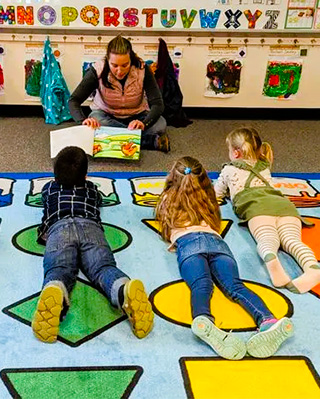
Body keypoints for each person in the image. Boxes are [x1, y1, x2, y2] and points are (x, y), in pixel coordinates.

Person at [155, 156, 293, 359]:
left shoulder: (167, 200)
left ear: (172, 178)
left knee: (201, 285)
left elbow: (165, 228)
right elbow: (216, 223)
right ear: (203, 180)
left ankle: (204, 320)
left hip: (189, 246)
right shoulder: (208, 199)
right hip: (218, 245)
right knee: (236, 287)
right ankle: (268, 320)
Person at [32, 146, 154, 343]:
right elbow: (98, 200)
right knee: (103, 268)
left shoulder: (49, 189)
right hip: (91, 229)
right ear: (86, 175)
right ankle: (122, 289)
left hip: (59, 228)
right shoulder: (91, 189)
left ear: (55, 175)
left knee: (59, 268)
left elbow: (44, 200)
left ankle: (56, 287)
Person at [215, 127, 320, 294]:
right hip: (284, 206)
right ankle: (313, 268)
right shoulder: (264, 166)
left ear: (235, 153)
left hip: (257, 209)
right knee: (292, 242)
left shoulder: (229, 170)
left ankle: (272, 259)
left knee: (268, 239)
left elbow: (216, 193)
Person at [68, 35, 170, 153]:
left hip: (136, 114)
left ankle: (113, 136)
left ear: (131, 59)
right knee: (95, 120)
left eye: (125, 65)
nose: (119, 71)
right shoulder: (97, 70)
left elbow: (157, 104)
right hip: (107, 114)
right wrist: (82, 121)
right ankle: (147, 141)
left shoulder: (143, 69)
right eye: (114, 65)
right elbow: (74, 100)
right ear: (107, 60)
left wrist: (143, 123)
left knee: (160, 124)